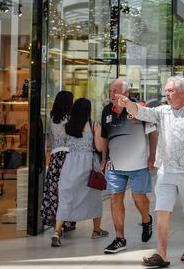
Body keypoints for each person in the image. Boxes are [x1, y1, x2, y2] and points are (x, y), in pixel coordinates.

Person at [117, 76, 184, 267]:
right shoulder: (162, 111)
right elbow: (143, 113)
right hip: (167, 170)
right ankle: (161, 254)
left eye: (170, 90)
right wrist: (129, 104)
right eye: (166, 90)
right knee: (162, 210)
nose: (166, 94)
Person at [101, 79, 158, 254]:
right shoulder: (106, 111)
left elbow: (153, 132)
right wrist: (104, 158)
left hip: (139, 164)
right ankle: (120, 238)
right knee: (115, 198)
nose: (111, 95)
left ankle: (146, 220)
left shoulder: (139, 108)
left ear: (125, 94)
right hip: (114, 165)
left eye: (115, 91)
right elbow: (105, 136)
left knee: (138, 198)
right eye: (110, 91)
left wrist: (152, 157)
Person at [51, 98, 108, 247]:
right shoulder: (94, 125)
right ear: (89, 110)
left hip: (70, 163)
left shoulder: (67, 126)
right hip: (88, 165)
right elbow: (100, 148)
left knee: (66, 197)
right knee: (94, 197)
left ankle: (57, 232)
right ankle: (96, 230)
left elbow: (62, 142)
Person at [41, 90, 74, 229]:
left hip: (55, 157)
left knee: (53, 188)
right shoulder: (70, 118)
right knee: (68, 190)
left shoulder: (52, 117)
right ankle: (67, 221)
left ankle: (54, 219)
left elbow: (51, 139)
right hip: (68, 156)